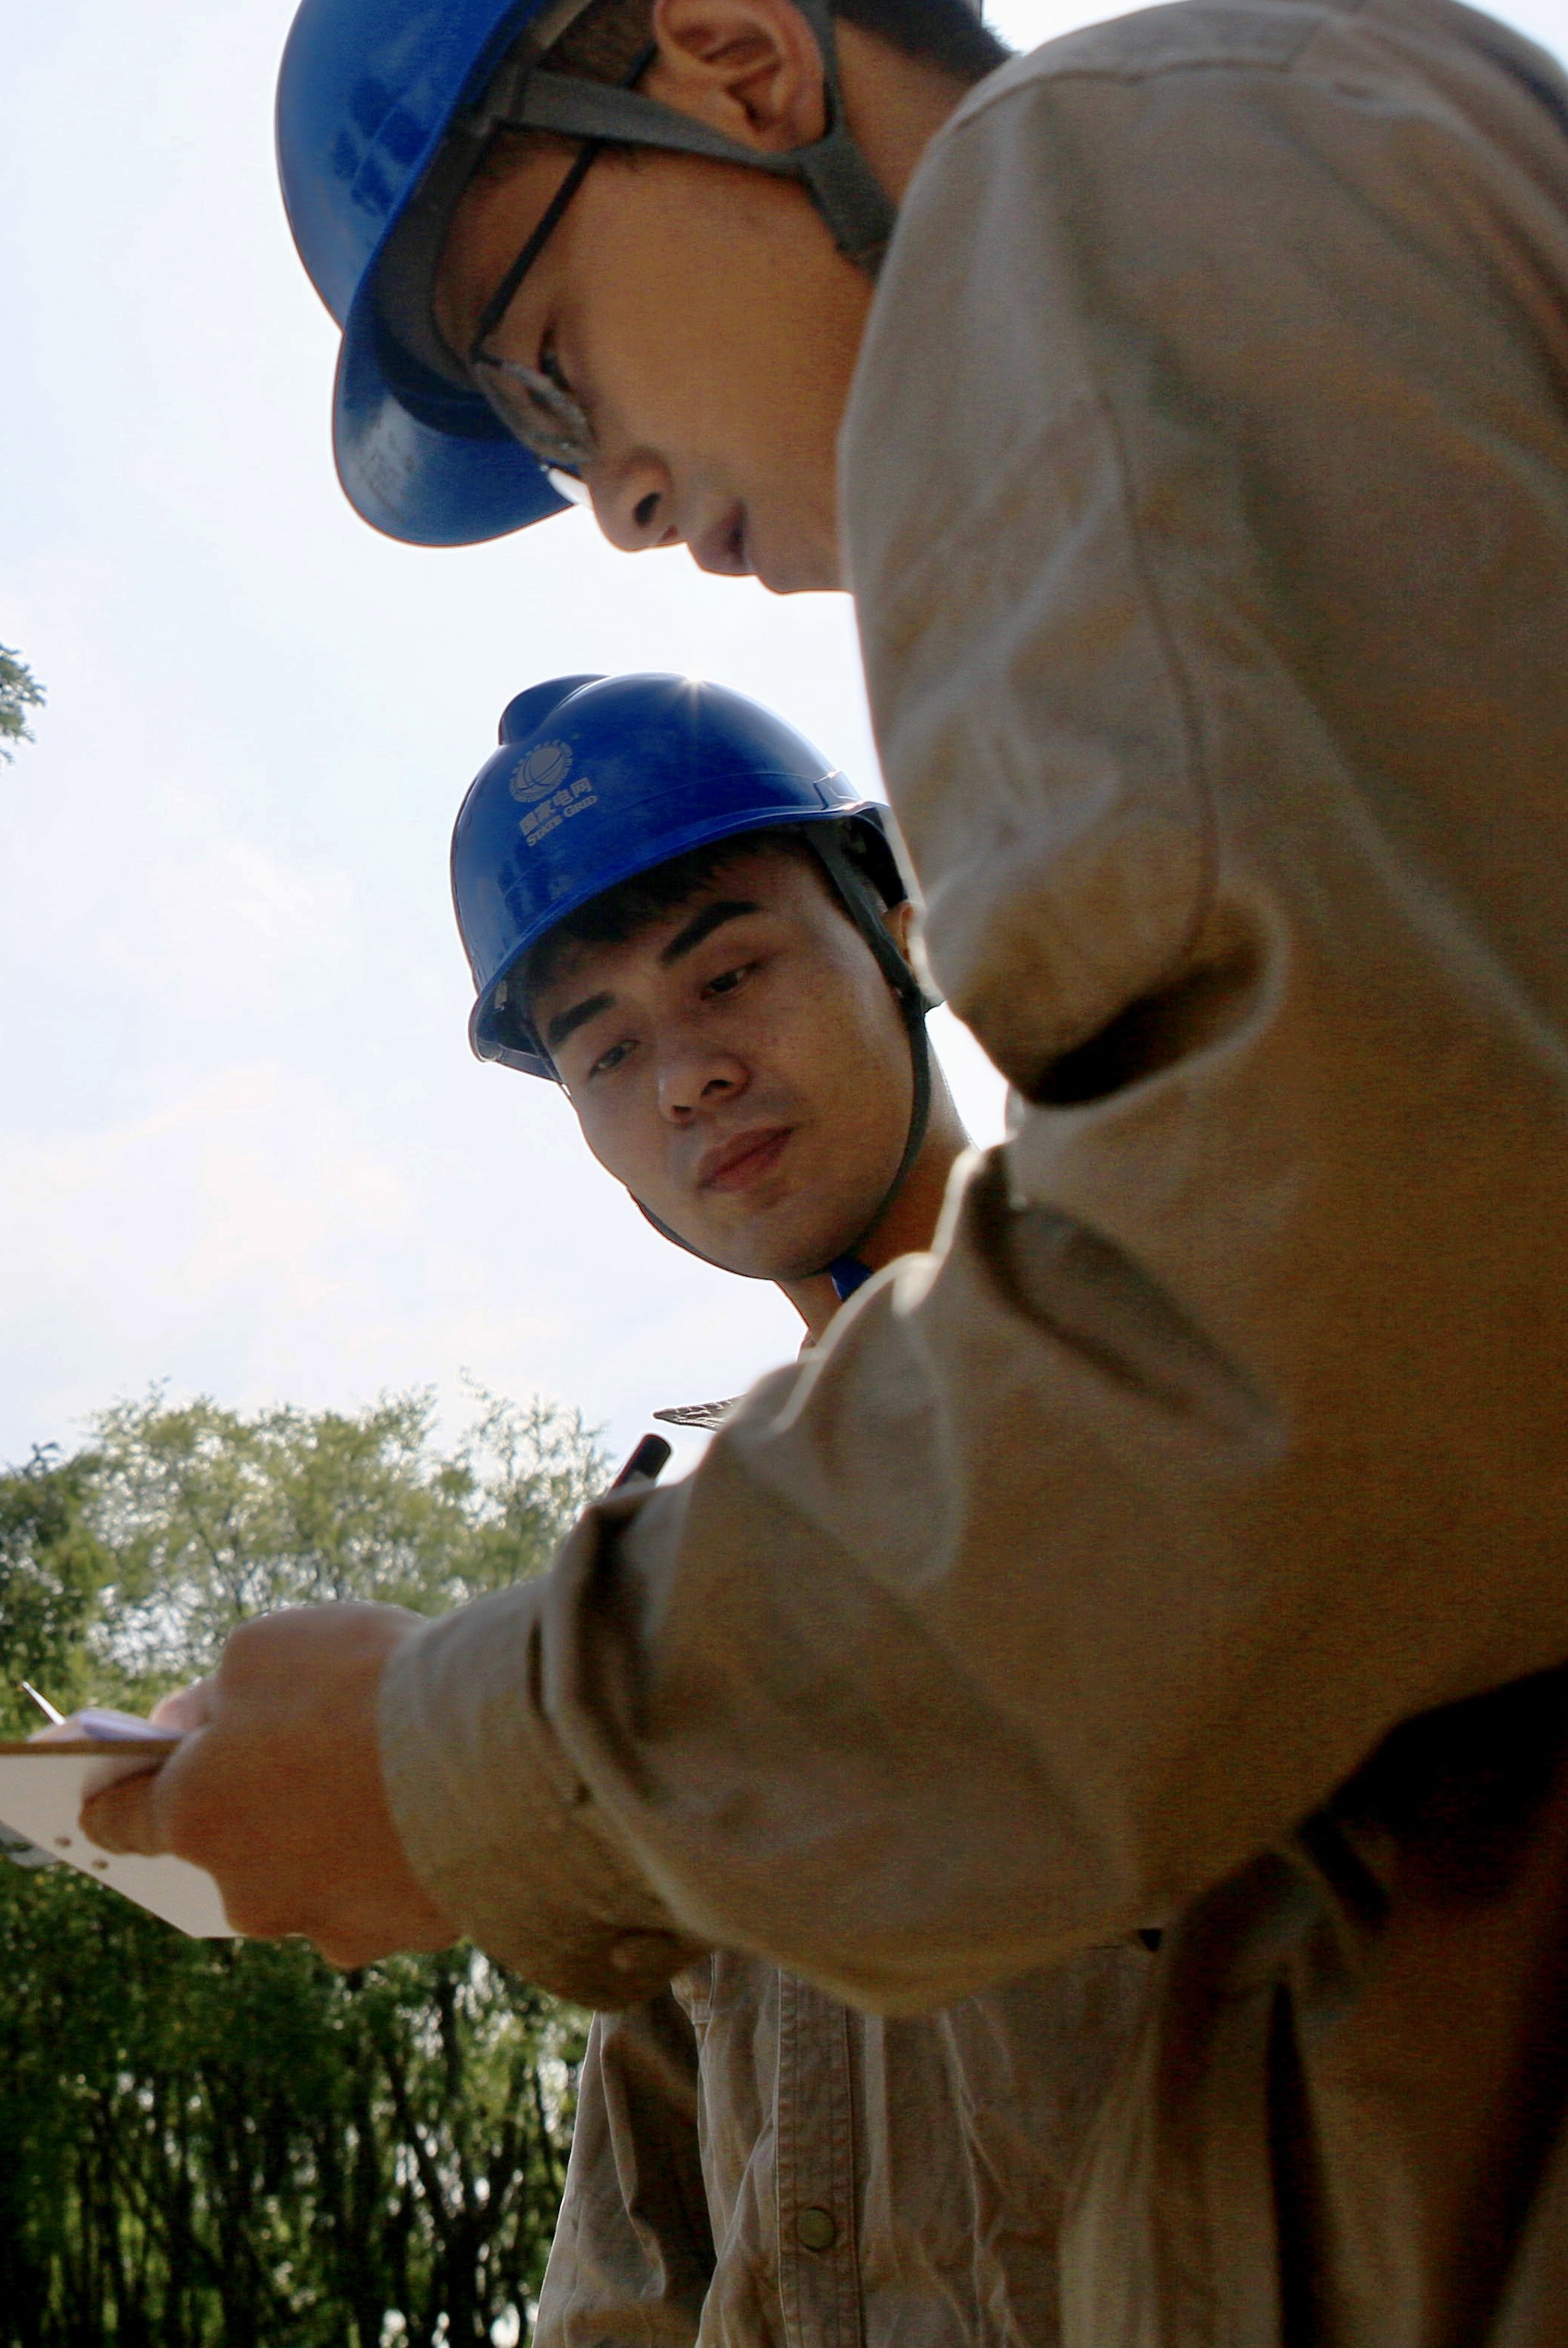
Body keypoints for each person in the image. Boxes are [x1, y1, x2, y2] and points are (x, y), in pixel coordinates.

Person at [87, 0, 1568, 2341]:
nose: (626, 500)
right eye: (597, 1044)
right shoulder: (1411, 195)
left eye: (560, 374)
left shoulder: (1091, 196)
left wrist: (479, 1761)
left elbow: (1385, 1319)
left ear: (733, 64)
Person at [446, 668, 1149, 2345]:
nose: (683, 1077)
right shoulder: (673, 1586)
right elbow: (644, 2222)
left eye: (732, 973)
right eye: (604, 1049)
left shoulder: (1191, 1366)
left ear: (904, 936)